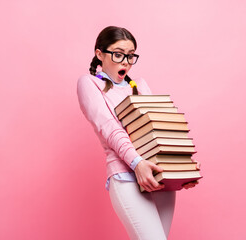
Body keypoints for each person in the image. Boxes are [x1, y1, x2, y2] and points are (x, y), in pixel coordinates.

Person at [77, 26, 198, 240]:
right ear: (99, 54)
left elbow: (157, 129)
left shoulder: (140, 85)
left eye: (131, 55)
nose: (125, 61)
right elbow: (109, 128)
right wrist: (137, 164)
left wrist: (181, 168)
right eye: (118, 54)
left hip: (157, 176)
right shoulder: (89, 84)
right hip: (127, 176)